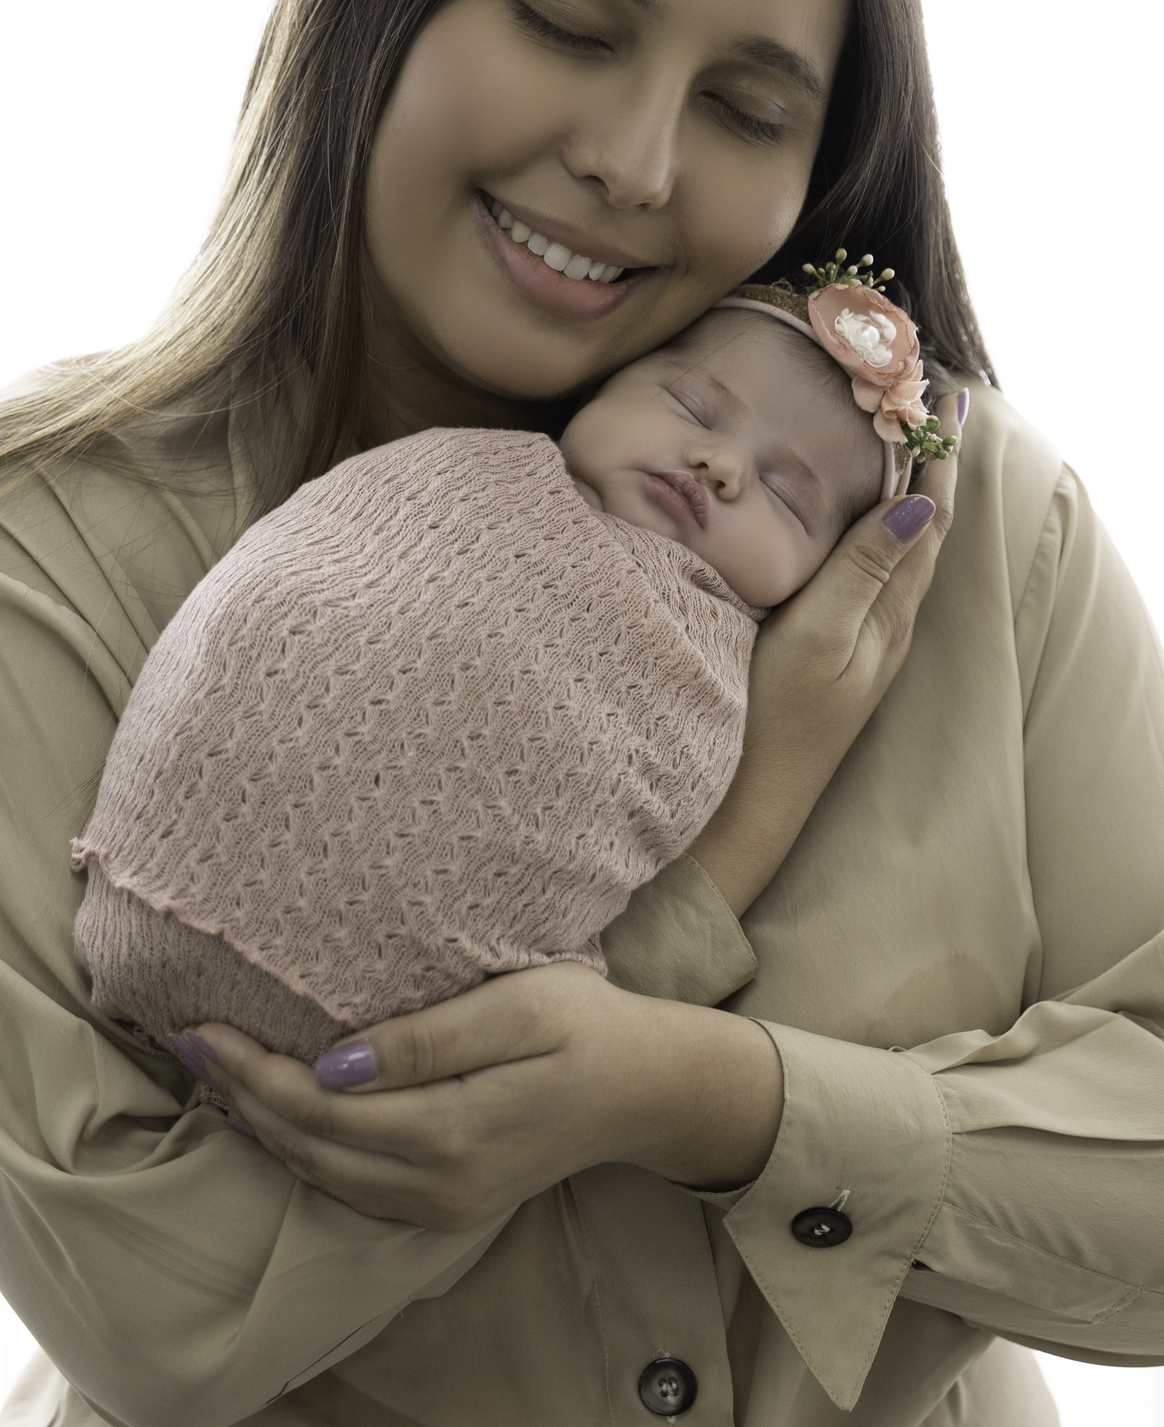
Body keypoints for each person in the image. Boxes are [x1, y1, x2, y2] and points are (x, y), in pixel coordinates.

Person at [0, 0, 1164, 1427]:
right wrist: (696, 888)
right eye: (570, 22)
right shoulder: (60, 554)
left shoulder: (961, 521)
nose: (637, 160)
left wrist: (719, 1099)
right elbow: (154, 1309)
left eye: (747, 109)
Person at [71, 285, 955, 1070]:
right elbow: (288, 580)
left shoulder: (713, 668)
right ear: (603, 384)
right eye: (693, 405)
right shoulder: (456, 466)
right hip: (151, 884)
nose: (719, 466)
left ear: (819, 578)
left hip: (403, 1045)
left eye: (784, 494)